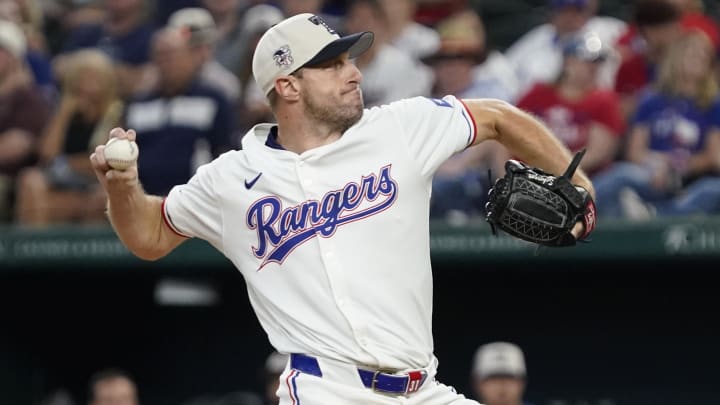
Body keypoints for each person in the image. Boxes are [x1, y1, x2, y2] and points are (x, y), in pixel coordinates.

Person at [90, 13, 595, 405]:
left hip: (423, 387)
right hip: (325, 389)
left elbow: (497, 117)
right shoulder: (231, 178)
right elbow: (150, 236)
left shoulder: (397, 127)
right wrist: (122, 188)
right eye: (331, 65)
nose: (353, 72)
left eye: (349, 60)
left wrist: (580, 184)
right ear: (287, 85)